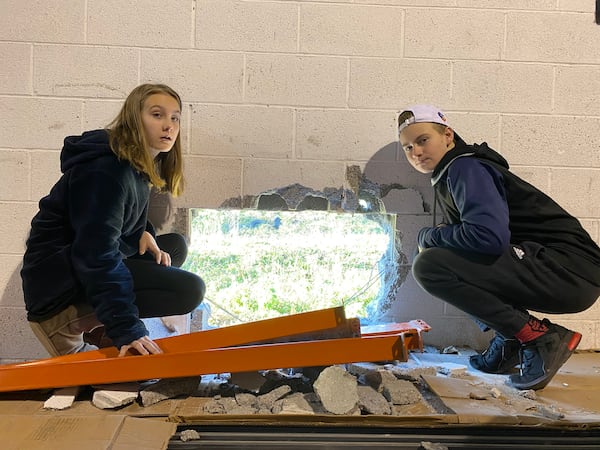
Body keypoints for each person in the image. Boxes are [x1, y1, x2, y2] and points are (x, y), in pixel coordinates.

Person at [397, 104, 600, 390]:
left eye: (422, 140)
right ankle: (510, 340)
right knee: (452, 258)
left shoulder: (465, 168)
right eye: (407, 147)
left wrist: (428, 237)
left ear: (447, 135)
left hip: (570, 271)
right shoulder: (451, 171)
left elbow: (487, 238)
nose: (416, 152)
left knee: (430, 265)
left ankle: (539, 338)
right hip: (560, 270)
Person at [21, 83, 205, 358]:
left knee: (174, 247)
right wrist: (127, 328)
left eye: (174, 117)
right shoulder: (106, 171)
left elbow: (106, 218)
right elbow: (96, 254)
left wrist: (141, 230)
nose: (169, 126)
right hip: (56, 287)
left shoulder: (135, 164)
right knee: (190, 290)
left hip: (76, 264)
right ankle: (75, 321)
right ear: (134, 119)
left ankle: (101, 318)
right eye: (157, 115)